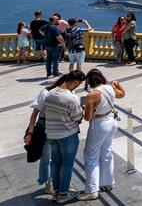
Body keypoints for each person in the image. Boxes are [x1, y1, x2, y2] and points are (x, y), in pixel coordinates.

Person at [78, 69, 126, 201]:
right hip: (111, 121)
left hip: (99, 124)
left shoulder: (92, 95)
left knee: (91, 156)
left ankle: (92, 190)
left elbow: (87, 118)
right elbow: (122, 94)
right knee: (107, 152)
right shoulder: (109, 88)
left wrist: (84, 107)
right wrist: (117, 84)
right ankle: (108, 182)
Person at [23, 76, 73, 197]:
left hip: (60, 126)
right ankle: (47, 183)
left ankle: (58, 183)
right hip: (44, 126)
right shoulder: (45, 93)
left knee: (58, 158)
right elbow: (34, 114)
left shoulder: (69, 93)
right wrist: (30, 132)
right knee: (47, 157)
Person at [44, 70, 86, 204]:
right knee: (67, 165)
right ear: (75, 82)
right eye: (78, 84)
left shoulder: (50, 93)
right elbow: (78, 117)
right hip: (67, 135)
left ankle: (57, 192)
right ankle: (63, 194)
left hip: (51, 133)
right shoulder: (71, 98)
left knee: (55, 163)